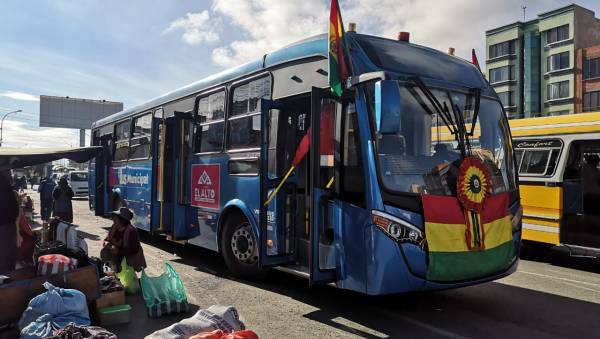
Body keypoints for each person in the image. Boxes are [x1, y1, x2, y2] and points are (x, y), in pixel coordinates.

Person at [101, 207, 146, 272]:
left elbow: (135, 250)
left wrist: (118, 251)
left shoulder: (131, 231)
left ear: (123, 221)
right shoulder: (114, 227)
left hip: (127, 259)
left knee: (123, 275)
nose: (113, 219)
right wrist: (105, 242)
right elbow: (107, 238)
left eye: (115, 218)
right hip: (116, 257)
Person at [0, 170, 19, 274]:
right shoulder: (4, 184)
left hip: (6, 226)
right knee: (6, 262)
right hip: (5, 227)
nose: (11, 174)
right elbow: (14, 209)